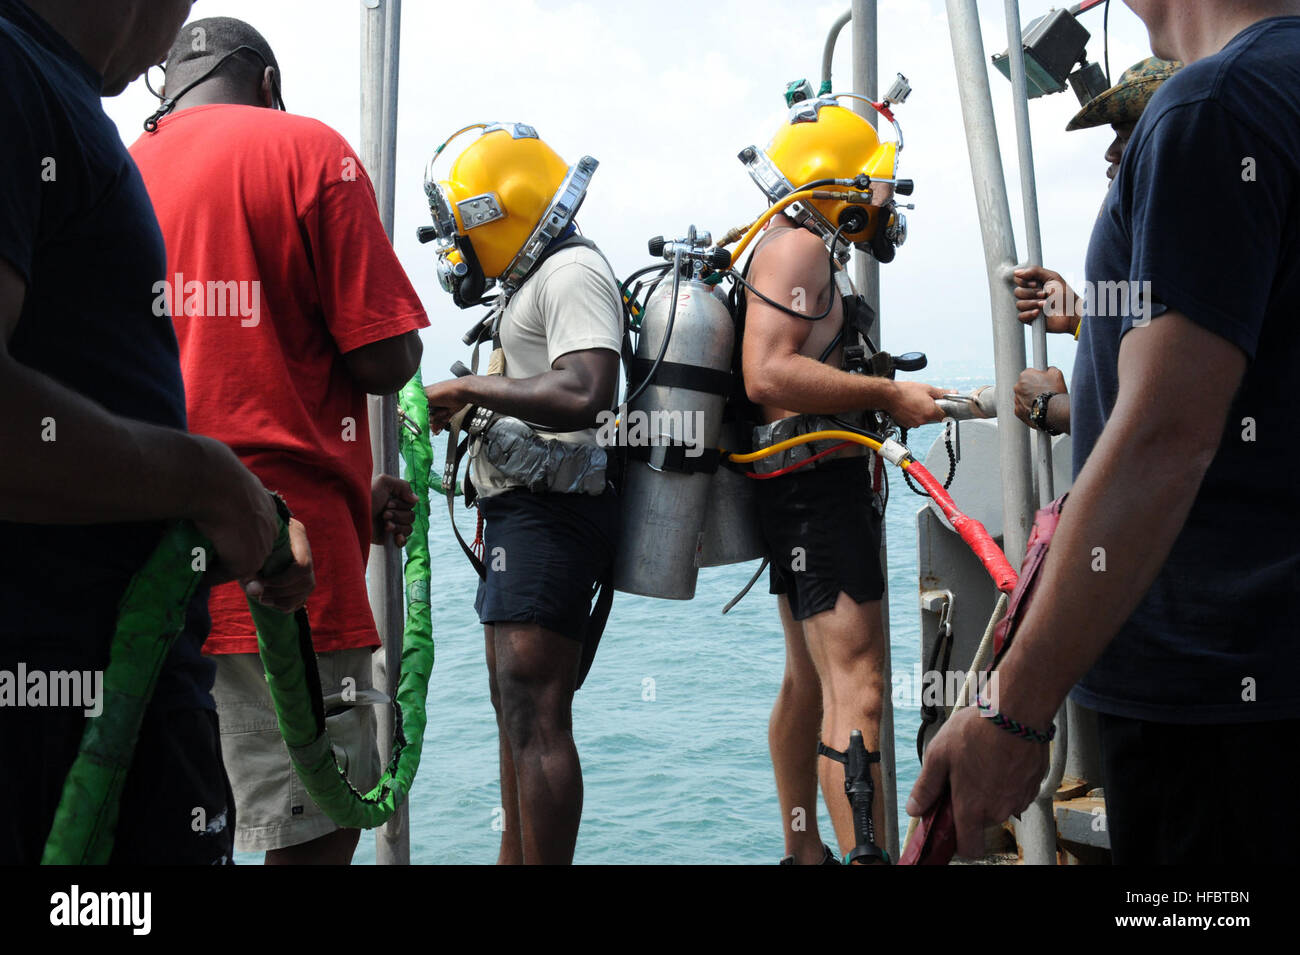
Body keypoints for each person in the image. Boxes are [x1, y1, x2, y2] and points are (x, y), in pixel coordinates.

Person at [908, 0, 1300, 864]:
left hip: (1214, 694)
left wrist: (1013, 709)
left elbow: (1166, 435)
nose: (1121, 154)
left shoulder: (1215, 106)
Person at [0, 0, 313, 865]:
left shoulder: (71, 109)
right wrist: (206, 480)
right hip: (71, 714)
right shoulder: (18, 75)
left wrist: (223, 494)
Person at [129, 17, 428, 865]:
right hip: (293, 573)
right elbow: (386, 356)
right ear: (266, 83)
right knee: (315, 833)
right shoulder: (307, 151)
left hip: (149, 572)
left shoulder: (122, 165)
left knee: (171, 831)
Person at [733, 98, 948, 863]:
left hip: (798, 492)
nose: (886, 205)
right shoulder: (798, 251)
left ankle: (805, 852)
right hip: (817, 495)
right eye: (878, 187)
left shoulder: (783, 244)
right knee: (857, 688)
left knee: (809, 681)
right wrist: (888, 396)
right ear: (839, 185)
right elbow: (767, 373)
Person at [421, 123, 622, 864]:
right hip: (520, 517)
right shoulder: (531, 284)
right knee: (516, 710)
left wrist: (470, 384)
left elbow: (588, 390)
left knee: (536, 713)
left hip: (555, 516)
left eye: (458, 232)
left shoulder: (571, 273)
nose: (455, 252)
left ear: (495, 212)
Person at [1012, 58, 1181, 438]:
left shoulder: (1192, 245)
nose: (1110, 153)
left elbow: (1163, 420)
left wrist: (1049, 407)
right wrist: (1080, 319)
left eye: (1125, 137)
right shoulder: (1169, 240)